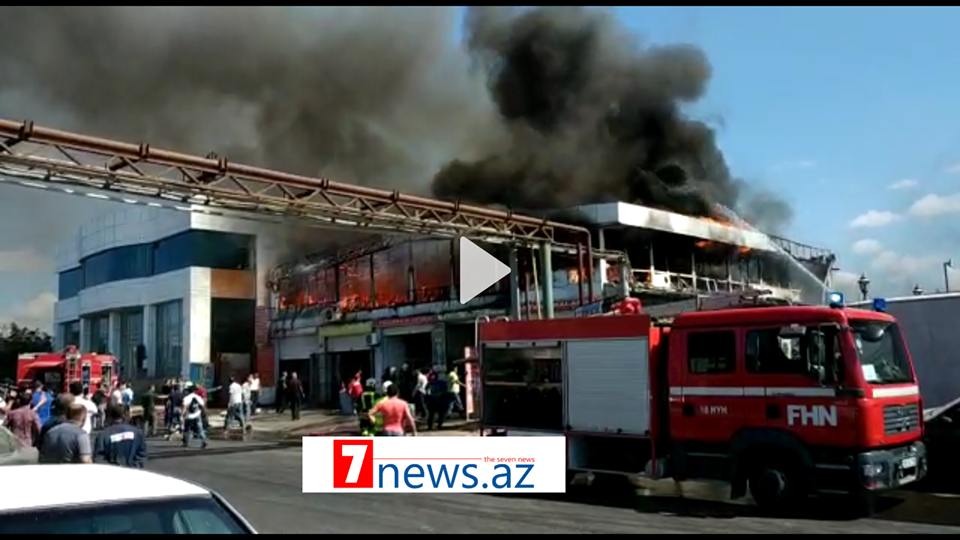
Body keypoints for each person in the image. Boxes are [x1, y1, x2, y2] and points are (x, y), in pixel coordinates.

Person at [93, 403, 147, 468]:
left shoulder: (104, 435)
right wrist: (135, 466)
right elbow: (142, 454)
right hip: (133, 472)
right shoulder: (136, 433)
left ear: (109, 416)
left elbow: (99, 458)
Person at [182, 383, 208, 449]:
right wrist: (203, 412)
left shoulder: (186, 398)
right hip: (197, 415)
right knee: (200, 429)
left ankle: (185, 442)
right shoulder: (198, 397)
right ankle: (204, 440)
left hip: (189, 416)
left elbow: (184, 407)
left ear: (188, 391)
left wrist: (183, 414)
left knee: (187, 429)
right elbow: (202, 405)